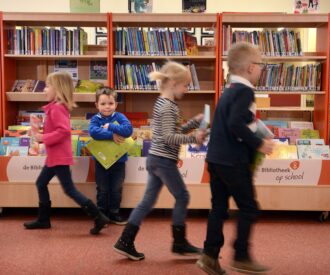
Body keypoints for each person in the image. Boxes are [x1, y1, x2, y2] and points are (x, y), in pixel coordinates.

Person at [113, 61, 207, 260]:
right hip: (164, 160)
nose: (187, 89)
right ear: (173, 83)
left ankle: (125, 241)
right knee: (182, 196)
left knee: (147, 201)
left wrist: (192, 123)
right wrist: (194, 138)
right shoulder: (168, 107)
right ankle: (179, 242)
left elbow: (172, 132)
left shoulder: (164, 103)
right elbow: (168, 138)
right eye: (185, 85)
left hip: (156, 158)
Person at [196, 42, 274, 274]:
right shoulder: (245, 91)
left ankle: (209, 256)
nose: (261, 69)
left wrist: (254, 128)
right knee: (249, 208)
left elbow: (231, 122)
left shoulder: (228, 90)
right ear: (251, 67)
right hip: (233, 161)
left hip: (216, 160)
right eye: (260, 64)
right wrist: (259, 143)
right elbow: (235, 124)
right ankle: (241, 256)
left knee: (218, 209)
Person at [24, 71, 109, 235]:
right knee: (41, 183)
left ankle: (98, 216)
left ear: (58, 89)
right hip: (54, 156)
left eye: (48, 86)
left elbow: (64, 132)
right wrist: (40, 132)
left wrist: (43, 136)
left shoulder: (57, 108)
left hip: (59, 157)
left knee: (69, 189)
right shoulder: (55, 107)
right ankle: (43, 219)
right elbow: (57, 129)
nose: (44, 89)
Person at [89, 87, 133, 225]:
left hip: (119, 161)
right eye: (103, 104)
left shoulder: (119, 117)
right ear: (97, 105)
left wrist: (111, 127)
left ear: (116, 104)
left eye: (110, 103)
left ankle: (114, 212)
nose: (107, 107)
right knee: (102, 189)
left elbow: (128, 130)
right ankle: (101, 214)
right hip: (101, 161)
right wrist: (112, 135)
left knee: (116, 188)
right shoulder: (95, 119)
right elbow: (94, 132)